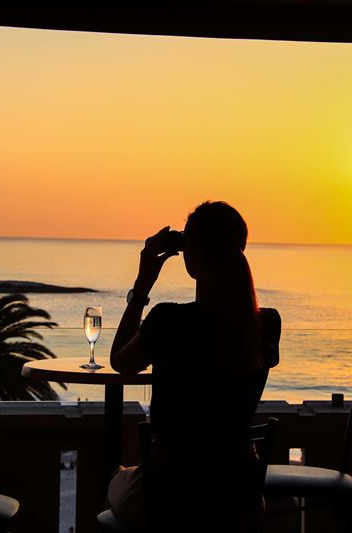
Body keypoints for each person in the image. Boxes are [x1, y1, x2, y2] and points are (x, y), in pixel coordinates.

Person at [108, 201, 281, 532]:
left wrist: (142, 285)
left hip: (170, 494)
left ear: (193, 256)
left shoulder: (168, 320)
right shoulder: (267, 324)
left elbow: (120, 362)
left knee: (117, 478)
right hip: (238, 498)